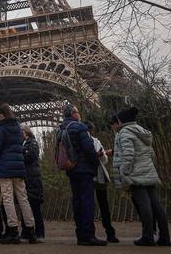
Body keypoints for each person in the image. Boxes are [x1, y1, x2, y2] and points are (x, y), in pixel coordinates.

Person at [113, 106, 170, 246]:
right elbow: (152, 154)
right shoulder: (142, 132)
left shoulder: (125, 132)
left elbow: (128, 154)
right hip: (148, 171)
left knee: (144, 205)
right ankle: (165, 237)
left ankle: (148, 237)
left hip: (135, 174)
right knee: (157, 205)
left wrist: (125, 171)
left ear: (121, 120)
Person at [60, 104, 107, 246]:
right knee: (87, 201)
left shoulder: (62, 128)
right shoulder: (80, 127)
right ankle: (88, 235)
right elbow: (88, 148)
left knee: (77, 201)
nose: (79, 114)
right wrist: (95, 162)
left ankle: (80, 234)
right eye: (78, 112)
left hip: (72, 168)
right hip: (84, 169)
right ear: (73, 114)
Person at [0, 104, 36, 245]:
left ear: (3, 115)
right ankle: (31, 231)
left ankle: (13, 232)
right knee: (23, 198)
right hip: (19, 167)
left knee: (8, 199)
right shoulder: (19, 128)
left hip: (5, 168)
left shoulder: (2, 128)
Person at [85, 121, 118, 243]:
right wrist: (99, 155)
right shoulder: (96, 141)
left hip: (87, 177)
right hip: (99, 177)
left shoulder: (78, 141)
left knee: (88, 205)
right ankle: (110, 233)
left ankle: (89, 234)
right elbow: (104, 160)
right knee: (104, 205)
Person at [21, 125, 45, 242]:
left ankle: (39, 233)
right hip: (27, 178)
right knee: (25, 207)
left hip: (33, 179)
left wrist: (20, 154)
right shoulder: (24, 144)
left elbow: (31, 156)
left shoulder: (33, 143)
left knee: (34, 207)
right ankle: (26, 233)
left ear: (25, 132)